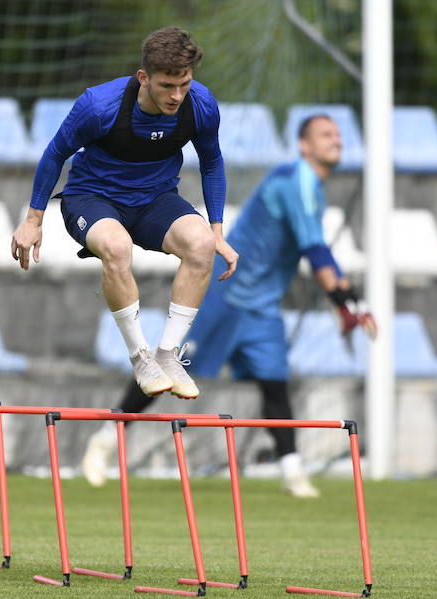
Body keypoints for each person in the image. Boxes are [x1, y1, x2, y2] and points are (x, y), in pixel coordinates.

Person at [82, 114, 377, 497]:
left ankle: (292, 471)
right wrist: (344, 302)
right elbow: (314, 249)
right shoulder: (294, 180)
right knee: (163, 374)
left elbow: (319, 249)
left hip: (262, 305)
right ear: (304, 145)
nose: (336, 140)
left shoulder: (313, 188)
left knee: (275, 383)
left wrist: (349, 299)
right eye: (326, 134)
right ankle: (105, 440)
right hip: (225, 294)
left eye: (338, 134)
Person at [12, 26, 238, 400]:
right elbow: (55, 154)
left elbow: (212, 162)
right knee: (117, 247)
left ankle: (167, 355)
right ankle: (141, 357)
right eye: (167, 85)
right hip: (92, 198)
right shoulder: (98, 105)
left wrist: (216, 230)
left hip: (155, 199)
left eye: (184, 84)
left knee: (201, 246)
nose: (177, 96)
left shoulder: (200, 105)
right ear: (144, 78)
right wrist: (33, 219)